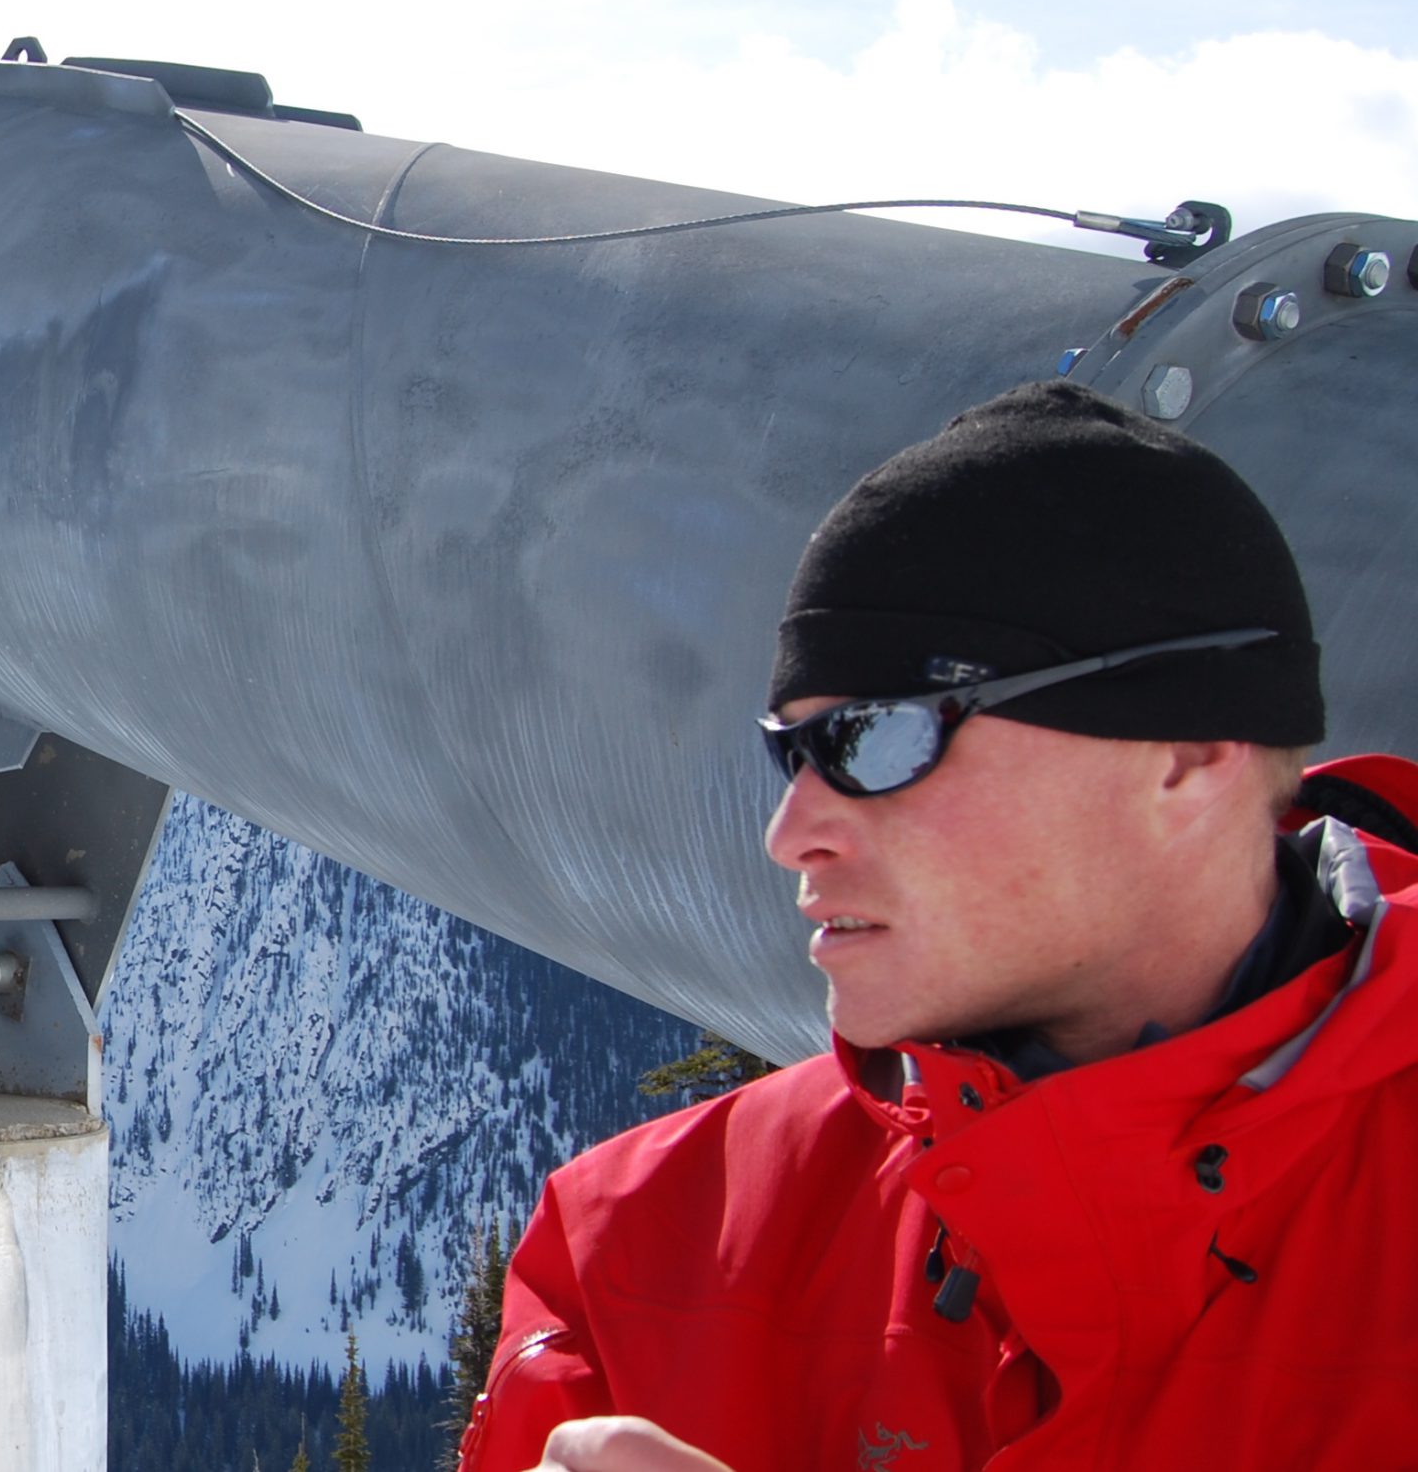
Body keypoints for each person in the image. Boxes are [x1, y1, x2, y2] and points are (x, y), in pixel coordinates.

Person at [455, 381, 1418, 1471]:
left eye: (874, 744)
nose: (790, 831)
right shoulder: (638, 1249)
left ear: (1190, 752)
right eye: (791, 752)